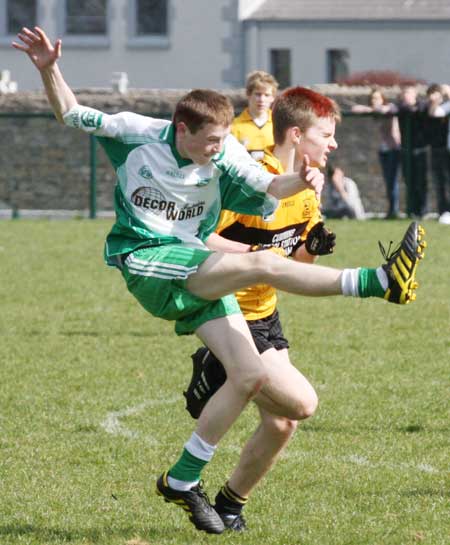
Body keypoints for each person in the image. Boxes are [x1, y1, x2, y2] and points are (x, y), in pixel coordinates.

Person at [13, 27, 426, 535]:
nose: (218, 149)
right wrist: (48, 68)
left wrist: (305, 180)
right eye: (208, 140)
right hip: (146, 259)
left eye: (222, 140)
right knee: (259, 262)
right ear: (179, 129)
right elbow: (72, 114)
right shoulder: (135, 132)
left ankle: (183, 479)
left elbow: (271, 184)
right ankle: (378, 281)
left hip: (192, 267)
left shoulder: (226, 150)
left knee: (251, 377)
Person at [183, 86, 339, 530]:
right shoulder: (254, 179)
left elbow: (294, 267)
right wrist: (253, 256)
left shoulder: (309, 190)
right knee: (303, 404)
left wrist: (312, 247)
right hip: (232, 310)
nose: (333, 144)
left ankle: (230, 506)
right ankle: (221, 368)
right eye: (325, 134)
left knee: (282, 425)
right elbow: (201, 236)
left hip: (267, 313)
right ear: (295, 134)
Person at [351, 87, 401, 218]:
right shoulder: (373, 111)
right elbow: (355, 109)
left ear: (383, 99)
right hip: (382, 150)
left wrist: (374, 108)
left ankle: (393, 210)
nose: (375, 101)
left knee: (392, 180)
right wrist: (371, 109)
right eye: (373, 98)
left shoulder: (389, 107)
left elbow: (388, 109)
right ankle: (391, 210)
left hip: (393, 149)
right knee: (387, 179)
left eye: (378, 98)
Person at [394, 85, 428, 218]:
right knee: (409, 181)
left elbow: (422, 109)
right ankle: (412, 210)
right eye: (405, 93)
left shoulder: (422, 107)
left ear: (415, 94)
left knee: (421, 182)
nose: (406, 95)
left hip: (420, 150)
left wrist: (414, 108)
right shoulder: (401, 108)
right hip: (406, 151)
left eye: (409, 93)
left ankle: (422, 210)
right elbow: (401, 109)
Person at [231, 70, 278, 161]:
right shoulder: (234, 126)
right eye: (258, 94)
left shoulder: (278, 125)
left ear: (273, 98)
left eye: (266, 95)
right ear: (248, 94)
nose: (261, 99)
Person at [426, 83, 450, 222]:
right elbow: (434, 113)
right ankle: (444, 211)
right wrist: (435, 101)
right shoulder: (443, 105)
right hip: (443, 149)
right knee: (441, 181)